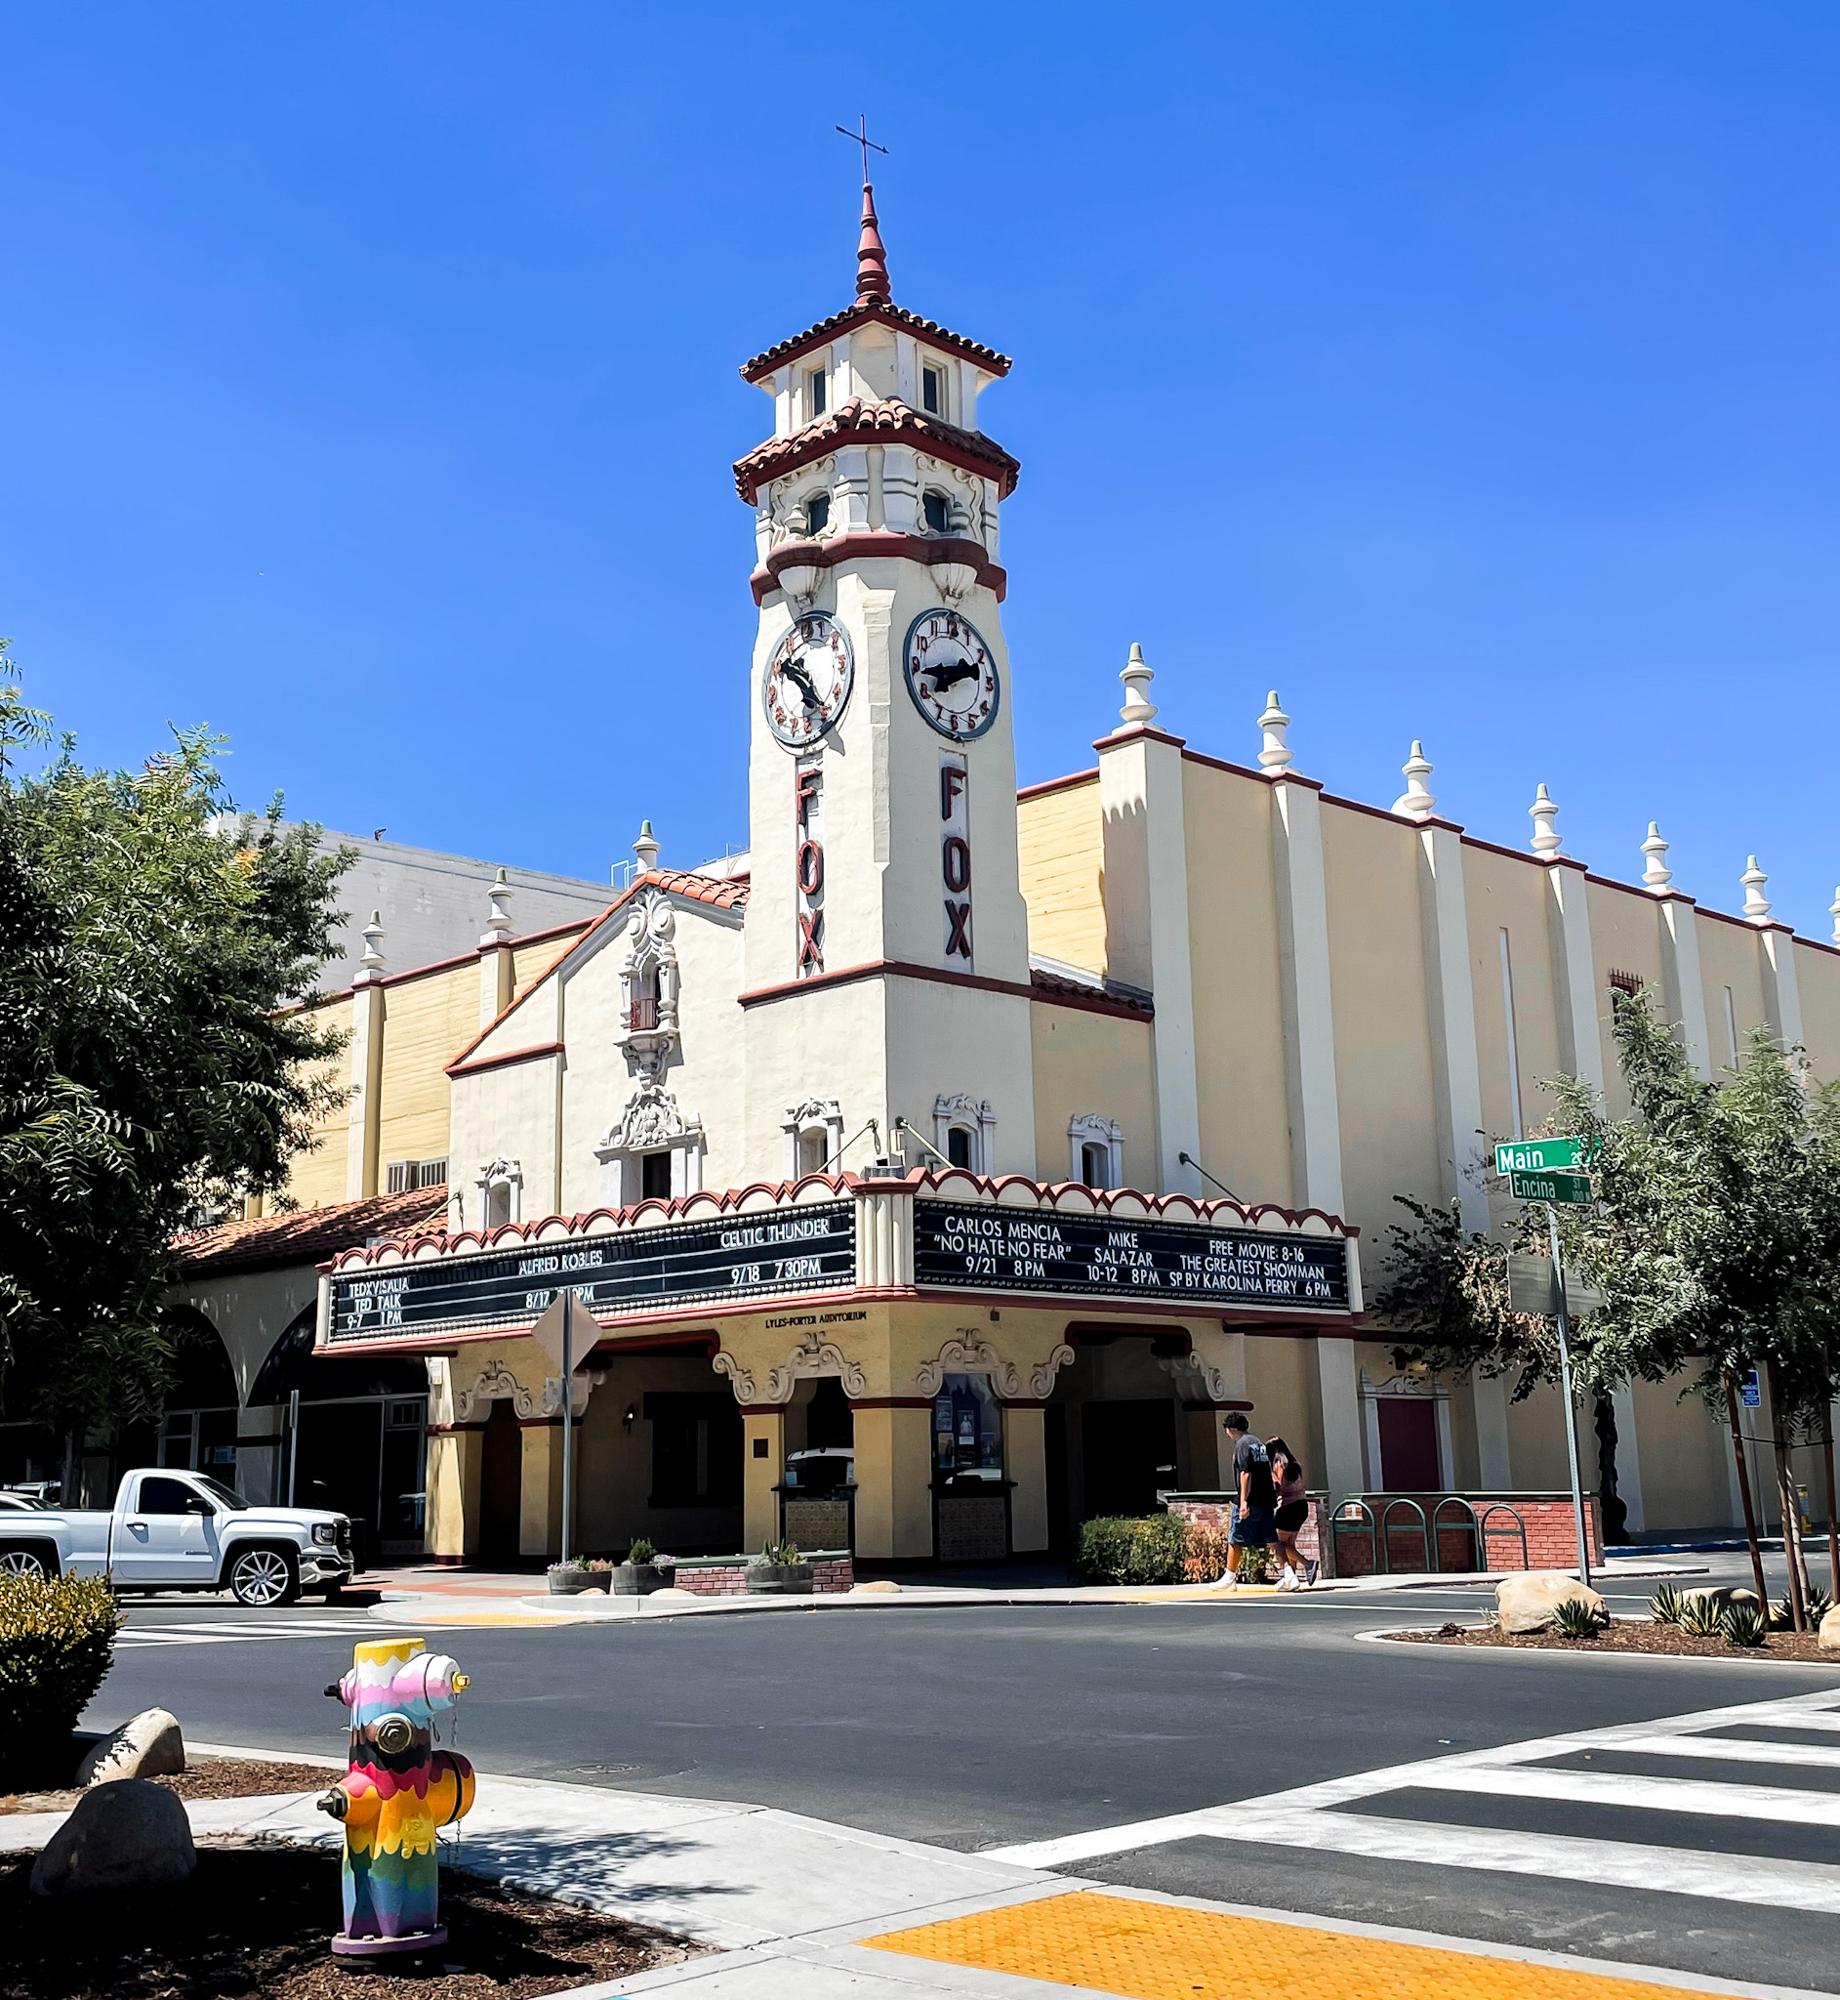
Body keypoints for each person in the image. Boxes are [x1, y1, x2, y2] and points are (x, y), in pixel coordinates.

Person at [1222, 1411, 1276, 1584]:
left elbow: (1246, 1473)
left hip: (1250, 1499)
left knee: (1235, 1537)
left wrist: (1244, 1501)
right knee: (1272, 1538)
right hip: (1265, 1498)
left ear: (1231, 1428)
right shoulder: (1257, 1443)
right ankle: (1289, 1574)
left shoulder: (1242, 1444)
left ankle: (1229, 1577)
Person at [1266, 1435, 1313, 1589]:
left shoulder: (1279, 1463)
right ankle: (1291, 1578)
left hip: (1287, 1507)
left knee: (1277, 1542)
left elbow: (1277, 1486)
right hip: (1301, 1505)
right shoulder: (1295, 1463)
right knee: (1290, 1543)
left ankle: (1308, 1564)